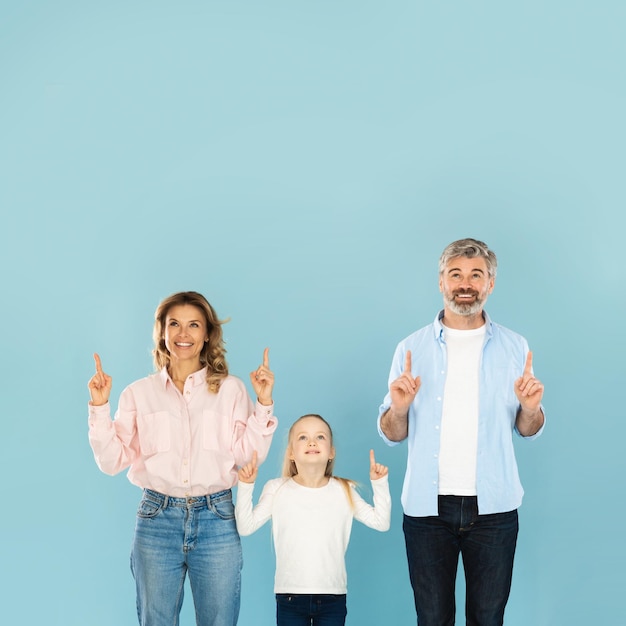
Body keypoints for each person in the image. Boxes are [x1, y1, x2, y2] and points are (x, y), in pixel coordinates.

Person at [377, 238, 545, 626]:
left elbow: (528, 428)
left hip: (495, 509)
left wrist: (531, 409)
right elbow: (391, 433)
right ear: (441, 282)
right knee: (432, 619)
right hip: (427, 509)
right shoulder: (411, 348)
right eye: (456, 275)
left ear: (490, 284)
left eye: (475, 275)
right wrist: (398, 408)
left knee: (488, 619)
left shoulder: (515, 347)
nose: (465, 284)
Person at [87, 291, 278, 626]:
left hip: (217, 519)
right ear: (162, 332)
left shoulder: (231, 390)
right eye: (174, 324)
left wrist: (263, 403)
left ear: (207, 335)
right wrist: (100, 407)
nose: (183, 333)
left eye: (193, 325)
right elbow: (111, 461)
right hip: (156, 520)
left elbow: (247, 456)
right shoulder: (137, 393)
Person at [235, 414, 391, 626]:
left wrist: (379, 484)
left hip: (333, 597)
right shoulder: (276, 489)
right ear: (291, 453)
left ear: (331, 452)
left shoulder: (344, 490)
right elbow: (245, 526)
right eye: (302, 437)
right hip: (289, 596)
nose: (312, 442)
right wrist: (245, 486)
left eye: (320, 437)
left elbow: (381, 522)